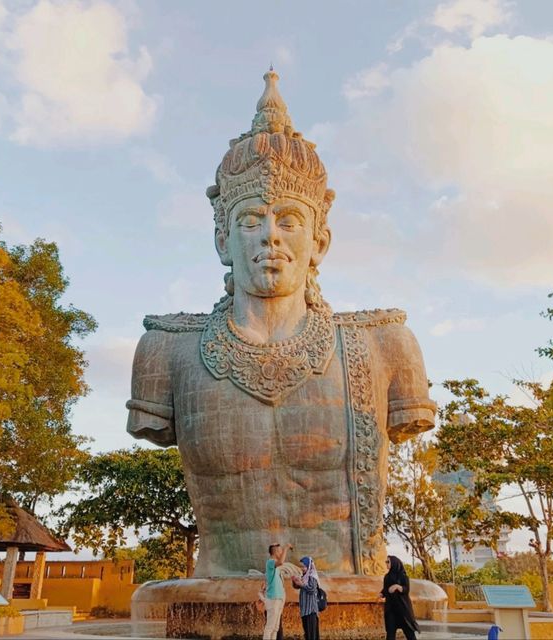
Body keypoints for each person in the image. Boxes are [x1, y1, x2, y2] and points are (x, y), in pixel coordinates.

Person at [126, 70, 436, 578]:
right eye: (250, 219)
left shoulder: (385, 345)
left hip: (352, 589)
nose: (271, 236)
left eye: (289, 219)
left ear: (320, 241)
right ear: (223, 241)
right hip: (219, 591)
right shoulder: (167, 351)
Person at [380, 555, 420, 640]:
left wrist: (398, 587)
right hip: (391, 609)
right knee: (390, 633)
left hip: (402, 609)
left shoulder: (403, 576)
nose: (386, 564)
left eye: (388, 562)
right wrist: (382, 593)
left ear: (394, 563)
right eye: (386, 562)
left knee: (409, 633)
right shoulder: (387, 577)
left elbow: (406, 589)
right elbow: (385, 589)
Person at [264, 542, 291, 639]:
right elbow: (280, 562)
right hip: (273, 598)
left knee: (275, 627)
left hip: (279, 598)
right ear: (275, 552)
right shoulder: (270, 562)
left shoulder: (276, 566)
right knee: (270, 627)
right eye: (280, 551)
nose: (281, 553)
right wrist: (286, 548)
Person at [292, 556, 320, 640]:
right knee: (308, 634)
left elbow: (312, 589)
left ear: (309, 566)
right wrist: (295, 582)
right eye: (301, 566)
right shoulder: (305, 576)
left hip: (310, 610)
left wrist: (301, 584)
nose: (302, 568)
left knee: (311, 635)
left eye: (304, 566)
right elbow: (299, 587)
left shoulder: (312, 576)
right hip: (305, 610)